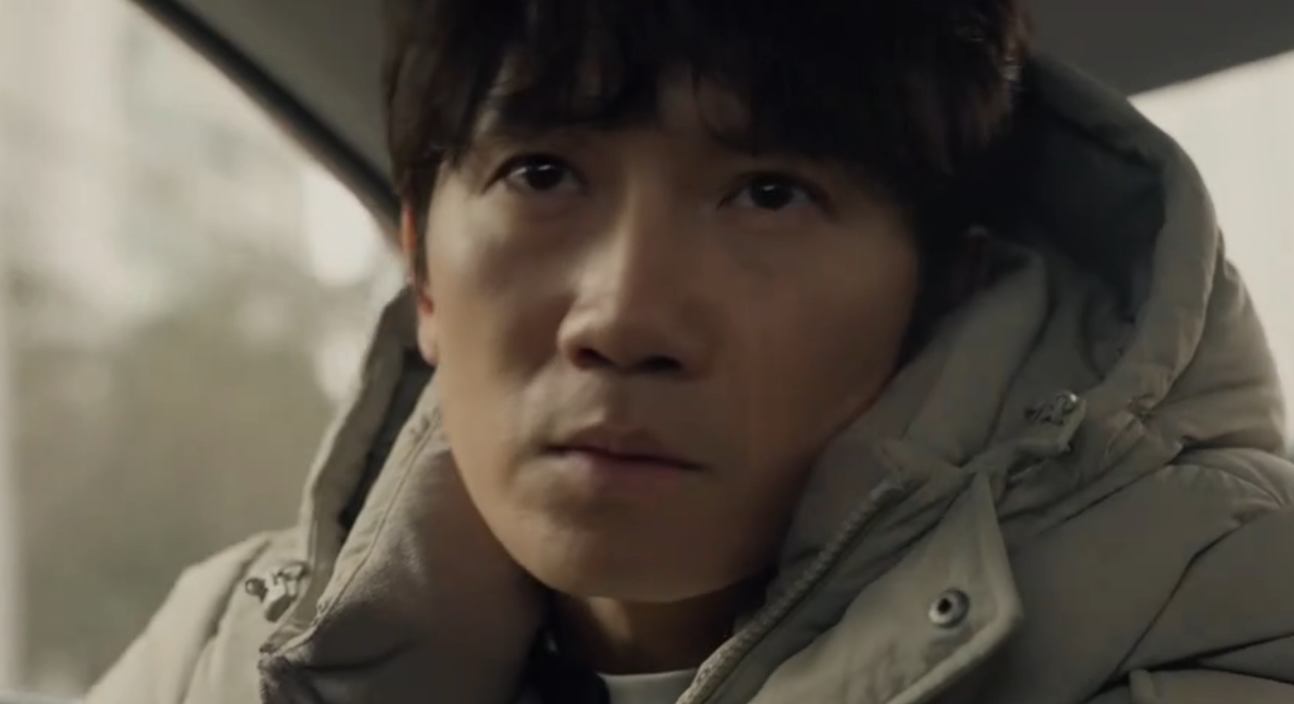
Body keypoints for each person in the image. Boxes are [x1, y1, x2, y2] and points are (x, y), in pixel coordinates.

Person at [89, 0, 1294, 702]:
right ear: (424, 272)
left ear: (943, 292)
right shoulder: (220, 651)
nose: (623, 318)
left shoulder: (1221, 624)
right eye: (542, 174)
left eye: (769, 194)